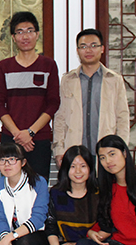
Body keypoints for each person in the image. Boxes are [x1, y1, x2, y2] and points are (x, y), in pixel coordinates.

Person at [0, 12, 60, 180]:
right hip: (10, 139)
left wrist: (30, 132)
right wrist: (18, 134)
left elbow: (53, 103)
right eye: (20, 32)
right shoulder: (4, 66)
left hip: (39, 139)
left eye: (30, 31)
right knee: (8, 186)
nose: (25, 36)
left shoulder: (48, 65)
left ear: (37, 34)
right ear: (13, 37)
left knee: (38, 186)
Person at [52, 28, 130, 168]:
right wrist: (59, 150)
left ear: (102, 49)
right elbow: (60, 117)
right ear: (77, 50)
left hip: (106, 151)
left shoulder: (114, 80)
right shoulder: (68, 80)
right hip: (75, 149)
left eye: (94, 45)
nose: (88, 50)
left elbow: (122, 117)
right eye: (83, 46)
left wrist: (121, 149)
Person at [45, 145, 102, 245]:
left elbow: (105, 224)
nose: (78, 171)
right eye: (72, 166)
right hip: (67, 244)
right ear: (65, 169)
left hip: (93, 243)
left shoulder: (98, 193)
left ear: (90, 168)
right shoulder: (57, 193)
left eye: (83, 166)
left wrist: (78, 244)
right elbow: (51, 224)